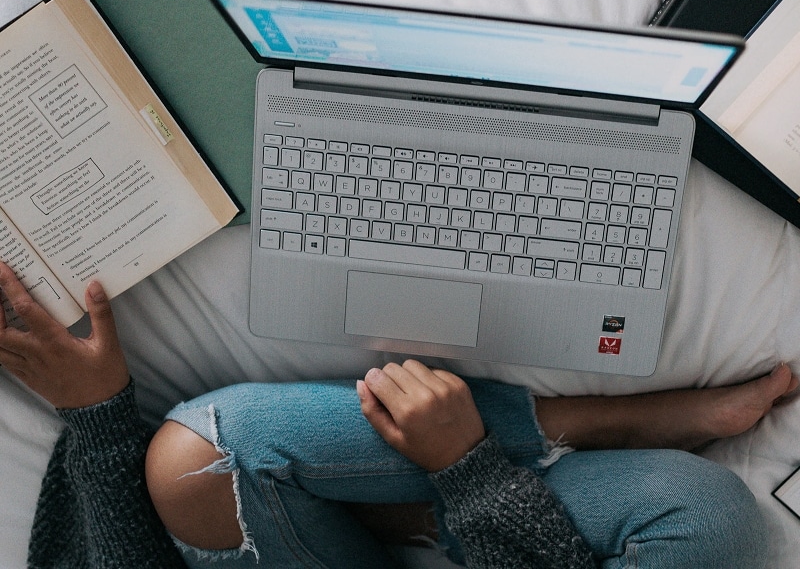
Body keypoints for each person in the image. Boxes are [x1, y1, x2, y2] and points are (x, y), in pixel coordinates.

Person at [0, 262, 796, 569]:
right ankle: (443, 494)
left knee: (201, 451)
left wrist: (96, 412)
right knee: (710, 514)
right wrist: (472, 475)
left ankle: (421, 500)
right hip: (488, 514)